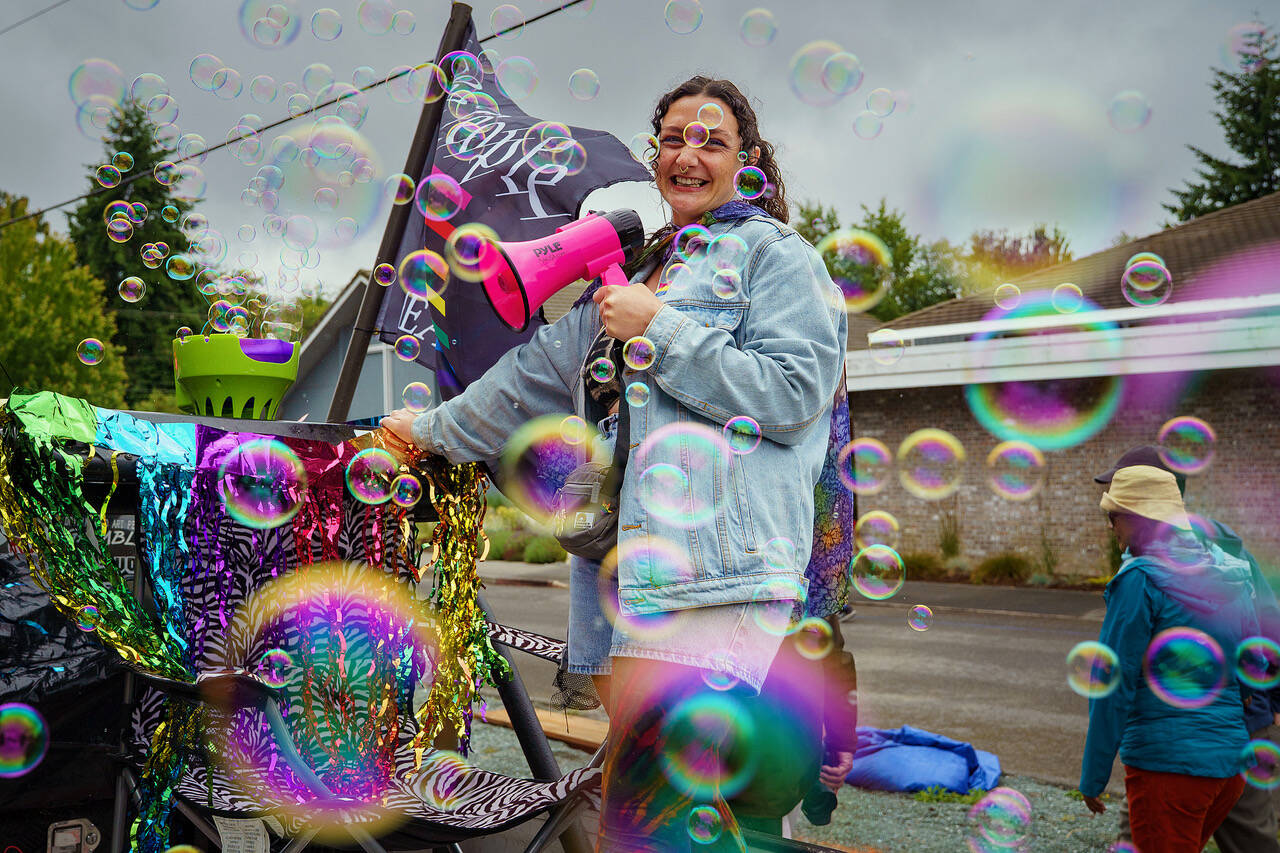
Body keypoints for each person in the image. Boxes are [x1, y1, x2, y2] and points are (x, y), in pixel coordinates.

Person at [383, 75, 847, 850]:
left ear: (750, 160)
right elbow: (526, 376)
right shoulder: (633, 276)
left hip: (715, 578)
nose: (686, 155)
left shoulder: (776, 257)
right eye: (671, 138)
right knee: (672, 817)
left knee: (642, 819)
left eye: (711, 140)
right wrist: (427, 429)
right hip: (624, 576)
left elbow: (795, 393)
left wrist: (659, 328)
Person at [1096, 446, 1280, 853]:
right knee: (1252, 842)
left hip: (1180, 745)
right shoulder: (1214, 548)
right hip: (1239, 731)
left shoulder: (1155, 558)